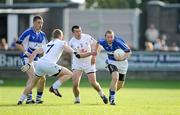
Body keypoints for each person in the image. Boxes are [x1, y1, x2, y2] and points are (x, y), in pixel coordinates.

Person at [17, 29, 92, 105]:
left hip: (40, 64)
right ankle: (54, 87)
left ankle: (20, 100)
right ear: (61, 36)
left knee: (32, 83)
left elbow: (35, 52)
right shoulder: (61, 42)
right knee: (69, 74)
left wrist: (30, 63)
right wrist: (75, 52)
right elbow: (66, 47)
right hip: (49, 65)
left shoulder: (49, 43)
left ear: (53, 36)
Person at [69, 25, 108, 104]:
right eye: (76, 31)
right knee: (75, 84)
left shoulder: (87, 37)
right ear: (73, 33)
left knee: (93, 83)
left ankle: (102, 95)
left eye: (80, 31)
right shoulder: (71, 42)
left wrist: (94, 56)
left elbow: (99, 45)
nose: (79, 33)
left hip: (89, 63)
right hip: (77, 64)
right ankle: (77, 100)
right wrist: (91, 53)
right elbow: (78, 56)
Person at [94, 30, 131, 105]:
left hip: (123, 63)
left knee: (120, 85)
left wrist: (122, 58)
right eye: (108, 37)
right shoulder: (103, 41)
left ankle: (111, 92)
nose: (110, 39)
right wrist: (96, 52)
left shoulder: (118, 42)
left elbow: (128, 52)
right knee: (115, 77)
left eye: (111, 37)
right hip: (111, 62)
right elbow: (98, 42)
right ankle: (113, 100)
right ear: (105, 37)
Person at [16, 15, 47, 104]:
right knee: (33, 77)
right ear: (33, 23)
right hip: (26, 58)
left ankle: (38, 99)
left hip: (37, 59)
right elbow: (18, 44)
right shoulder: (28, 32)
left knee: (43, 78)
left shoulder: (42, 35)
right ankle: (28, 99)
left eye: (41, 23)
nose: (40, 25)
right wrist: (26, 53)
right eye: (38, 23)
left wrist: (44, 58)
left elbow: (45, 48)